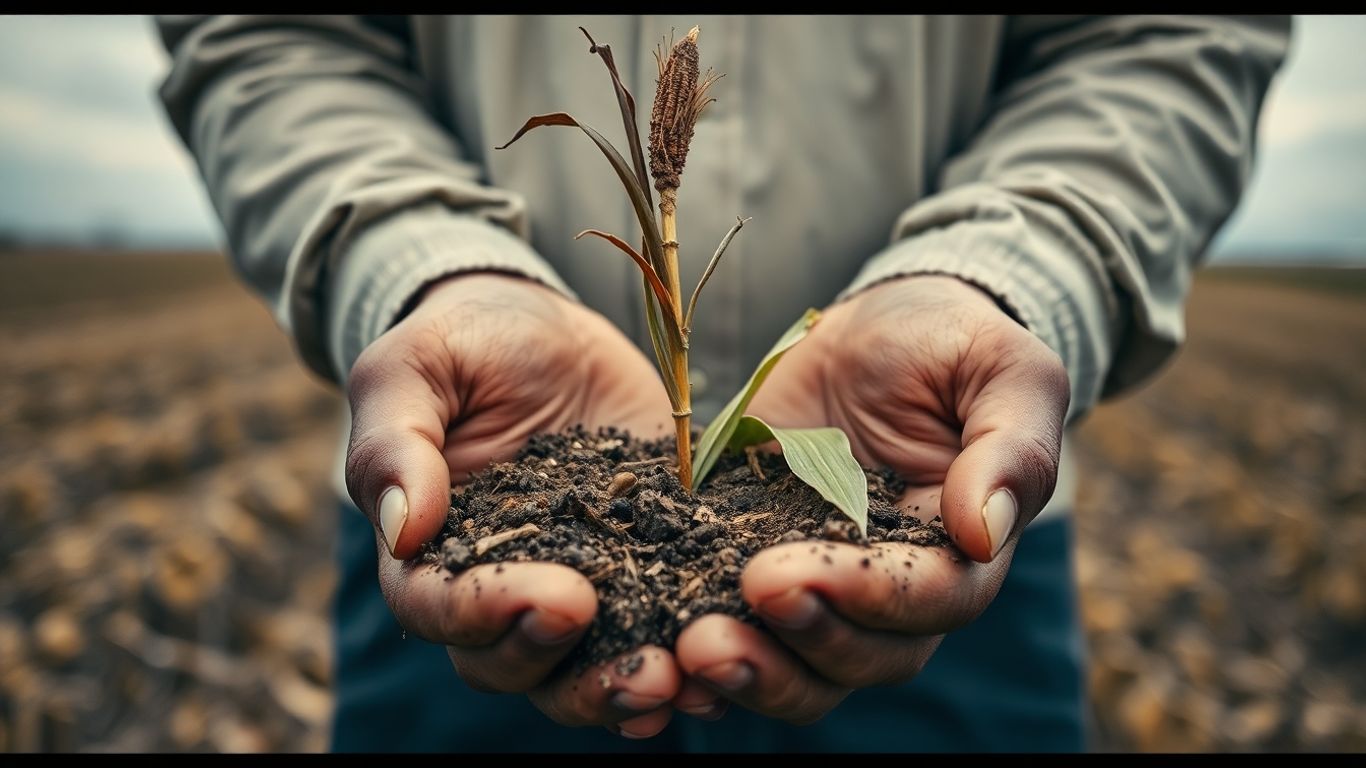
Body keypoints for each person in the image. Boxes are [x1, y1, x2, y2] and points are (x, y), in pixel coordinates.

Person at [155, 15, 1290, 752]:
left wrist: (1003, 276)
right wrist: (422, 268)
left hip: (933, 512)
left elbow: (1164, 42)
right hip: (477, 496)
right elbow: (273, 40)